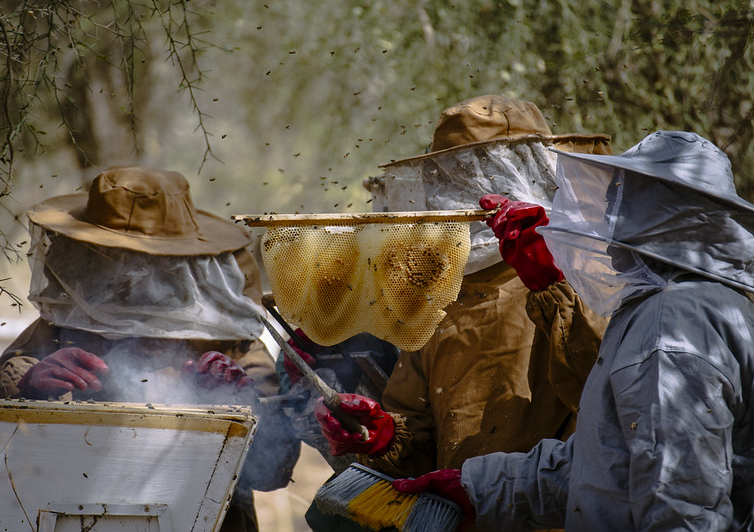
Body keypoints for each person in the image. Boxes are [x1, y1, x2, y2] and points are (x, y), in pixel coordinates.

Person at [393, 130, 754, 530]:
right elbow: (602, 467)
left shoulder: (672, 323)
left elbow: (681, 503)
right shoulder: (674, 306)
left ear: (656, 216)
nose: (608, 217)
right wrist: (477, 487)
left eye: (620, 202)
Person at [306, 95, 609, 531]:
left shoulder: (595, 273)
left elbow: (620, 402)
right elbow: (421, 428)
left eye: (488, 173)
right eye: (457, 176)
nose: (477, 190)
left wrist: (551, 282)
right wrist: (383, 435)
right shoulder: (441, 293)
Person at [0, 165, 300, 532]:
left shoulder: (230, 340)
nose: (133, 271)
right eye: (113, 255)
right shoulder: (59, 328)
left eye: (149, 259)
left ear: (185, 261)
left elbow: (274, 470)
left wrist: (240, 405)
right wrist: (29, 387)